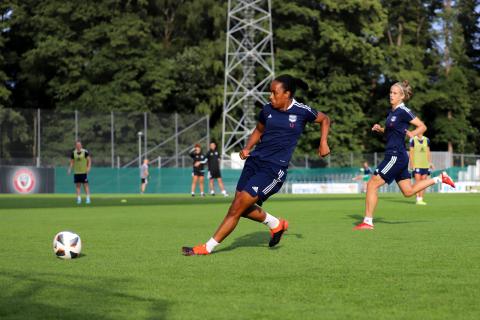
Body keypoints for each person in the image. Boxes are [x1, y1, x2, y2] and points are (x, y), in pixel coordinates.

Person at [182, 74, 330, 255]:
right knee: (241, 207)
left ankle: (206, 247)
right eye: (270, 92)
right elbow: (259, 130)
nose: (270, 96)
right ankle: (276, 224)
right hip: (254, 162)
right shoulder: (267, 110)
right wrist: (247, 147)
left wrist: (323, 142)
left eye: (274, 93)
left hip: (273, 169)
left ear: (287, 94)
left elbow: (325, 119)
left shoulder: (301, 111)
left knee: (236, 208)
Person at [354, 80, 455, 230]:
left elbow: (422, 126)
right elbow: (390, 132)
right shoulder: (392, 113)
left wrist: (413, 133)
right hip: (397, 156)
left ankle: (367, 222)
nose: (391, 95)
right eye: (390, 92)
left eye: (394, 93)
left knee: (372, 184)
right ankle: (440, 178)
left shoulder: (403, 111)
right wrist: (380, 129)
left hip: (395, 156)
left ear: (402, 96)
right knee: (408, 192)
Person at [409, 134, 433, 205]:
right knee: (417, 182)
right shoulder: (413, 140)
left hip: (425, 164)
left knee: (423, 183)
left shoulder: (427, 140)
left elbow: (428, 152)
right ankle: (417, 198)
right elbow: (411, 153)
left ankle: (421, 199)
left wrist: (429, 163)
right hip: (416, 164)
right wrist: (411, 164)